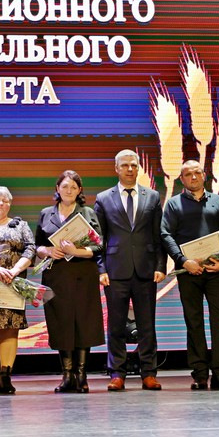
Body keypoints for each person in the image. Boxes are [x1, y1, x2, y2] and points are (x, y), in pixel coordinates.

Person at [161, 160, 219, 391]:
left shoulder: (217, 201)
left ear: (204, 175)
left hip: (216, 271)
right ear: (181, 179)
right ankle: (200, 375)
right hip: (189, 272)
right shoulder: (174, 204)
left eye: (197, 172)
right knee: (194, 322)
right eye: (188, 174)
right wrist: (183, 260)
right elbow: (165, 234)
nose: (193, 177)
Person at [94, 149, 166, 391]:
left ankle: (149, 373)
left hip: (146, 270)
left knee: (147, 325)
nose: (129, 169)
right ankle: (117, 373)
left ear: (138, 168)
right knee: (116, 326)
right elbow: (98, 239)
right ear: (116, 168)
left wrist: (160, 265)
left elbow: (158, 235)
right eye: (124, 165)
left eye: (133, 165)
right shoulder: (104, 198)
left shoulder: (152, 196)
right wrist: (101, 269)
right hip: (115, 271)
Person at [35, 170, 104, 393]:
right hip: (56, 275)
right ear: (57, 188)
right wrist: (47, 251)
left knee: (83, 322)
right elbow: (37, 246)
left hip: (83, 274)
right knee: (61, 323)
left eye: (73, 187)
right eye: (64, 186)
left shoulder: (88, 213)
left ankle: (81, 376)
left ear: (79, 190)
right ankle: (67, 375)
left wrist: (76, 251)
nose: (69, 190)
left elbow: (99, 245)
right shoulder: (46, 213)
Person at [0, 185, 36, 394]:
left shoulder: (20, 225)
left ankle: (5, 376)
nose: (1, 203)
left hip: (14, 281)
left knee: (11, 329)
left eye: (5, 200)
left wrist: (15, 270)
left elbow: (31, 248)